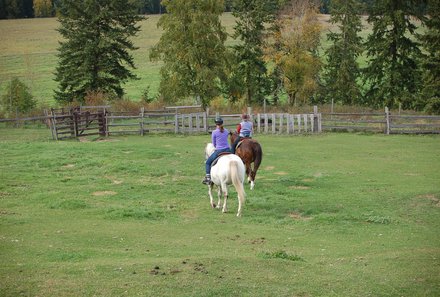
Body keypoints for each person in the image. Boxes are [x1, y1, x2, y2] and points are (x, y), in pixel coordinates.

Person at [202, 118, 231, 185]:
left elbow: (214, 143)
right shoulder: (226, 131)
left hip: (219, 150)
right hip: (228, 150)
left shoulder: (214, 132)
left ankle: (208, 178)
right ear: (222, 123)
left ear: (216, 124)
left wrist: (217, 146)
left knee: (208, 162)